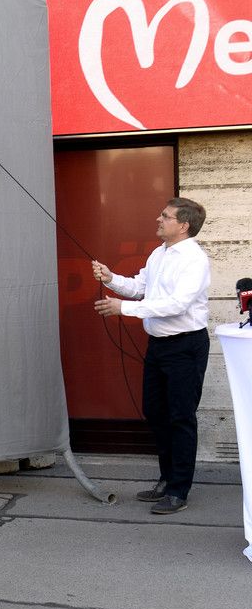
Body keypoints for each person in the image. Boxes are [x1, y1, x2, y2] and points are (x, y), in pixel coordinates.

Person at [93, 197, 210, 515]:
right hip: (159, 346)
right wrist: (111, 278)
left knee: (181, 417)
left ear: (183, 225)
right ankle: (167, 478)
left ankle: (178, 490)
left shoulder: (194, 260)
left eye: (165, 216)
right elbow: (139, 287)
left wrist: (123, 308)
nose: (158, 219)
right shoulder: (159, 253)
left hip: (186, 346)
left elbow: (177, 305)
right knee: (156, 412)